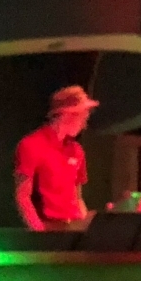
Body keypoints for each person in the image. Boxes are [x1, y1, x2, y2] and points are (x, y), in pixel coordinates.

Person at [14, 85, 97, 230]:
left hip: (73, 227)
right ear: (67, 114)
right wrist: (40, 233)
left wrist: (85, 230)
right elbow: (23, 196)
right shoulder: (31, 145)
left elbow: (77, 198)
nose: (84, 124)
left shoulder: (76, 150)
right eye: (83, 116)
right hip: (49, 228)